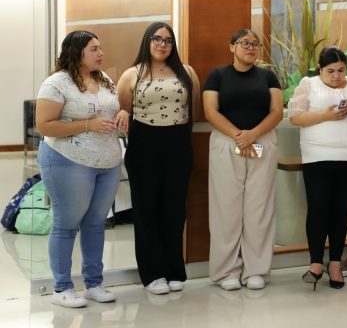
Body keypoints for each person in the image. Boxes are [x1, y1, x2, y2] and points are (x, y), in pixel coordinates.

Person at [35, 30, 129, 308]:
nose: (101, 53)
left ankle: (93, 284)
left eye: (100, 48)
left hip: (107, 162)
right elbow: (45, 126)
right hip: (68, 160)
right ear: (77, 53)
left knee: (96, 223)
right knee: (66, 224)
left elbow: (111, 109)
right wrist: (88, 124)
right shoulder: (56, 83)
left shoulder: (105, 79)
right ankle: (62, 288)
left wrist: (122, 113)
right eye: (93, 49)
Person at [117, 22, 200, 295]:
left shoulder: (187, 72)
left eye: (168, 40)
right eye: (157, 39)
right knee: (146, 209)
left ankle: (174, 270)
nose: (162, 44)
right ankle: (152, 274)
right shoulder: (132, 74)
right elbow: (124, 112)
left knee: (174, 209)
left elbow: (194, 110)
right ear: (147, 41)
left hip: (178, 143)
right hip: (144, 144)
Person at [288, 46, 347, 290]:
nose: (337, 76)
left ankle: (335, 263)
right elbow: (295, 117)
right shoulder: (308, 84)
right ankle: (316, 263)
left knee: (340, 209)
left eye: (341, 70)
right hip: (317, 156)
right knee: (318, 208)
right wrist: (326, 116)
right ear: (320, 69)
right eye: (330, 71)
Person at [202, 29, 283, 291]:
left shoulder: (268, 76)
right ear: (232, 47)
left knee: (259, 210)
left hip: (262, 142)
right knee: (226, 210)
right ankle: (226, 271)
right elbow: (210, 111)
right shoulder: (217, 75)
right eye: (245, 43)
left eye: (255, 44)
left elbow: (277, 111)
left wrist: (253, 135)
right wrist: (239, 136)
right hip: (227, 144)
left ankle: (256, 271)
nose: (251, 48)